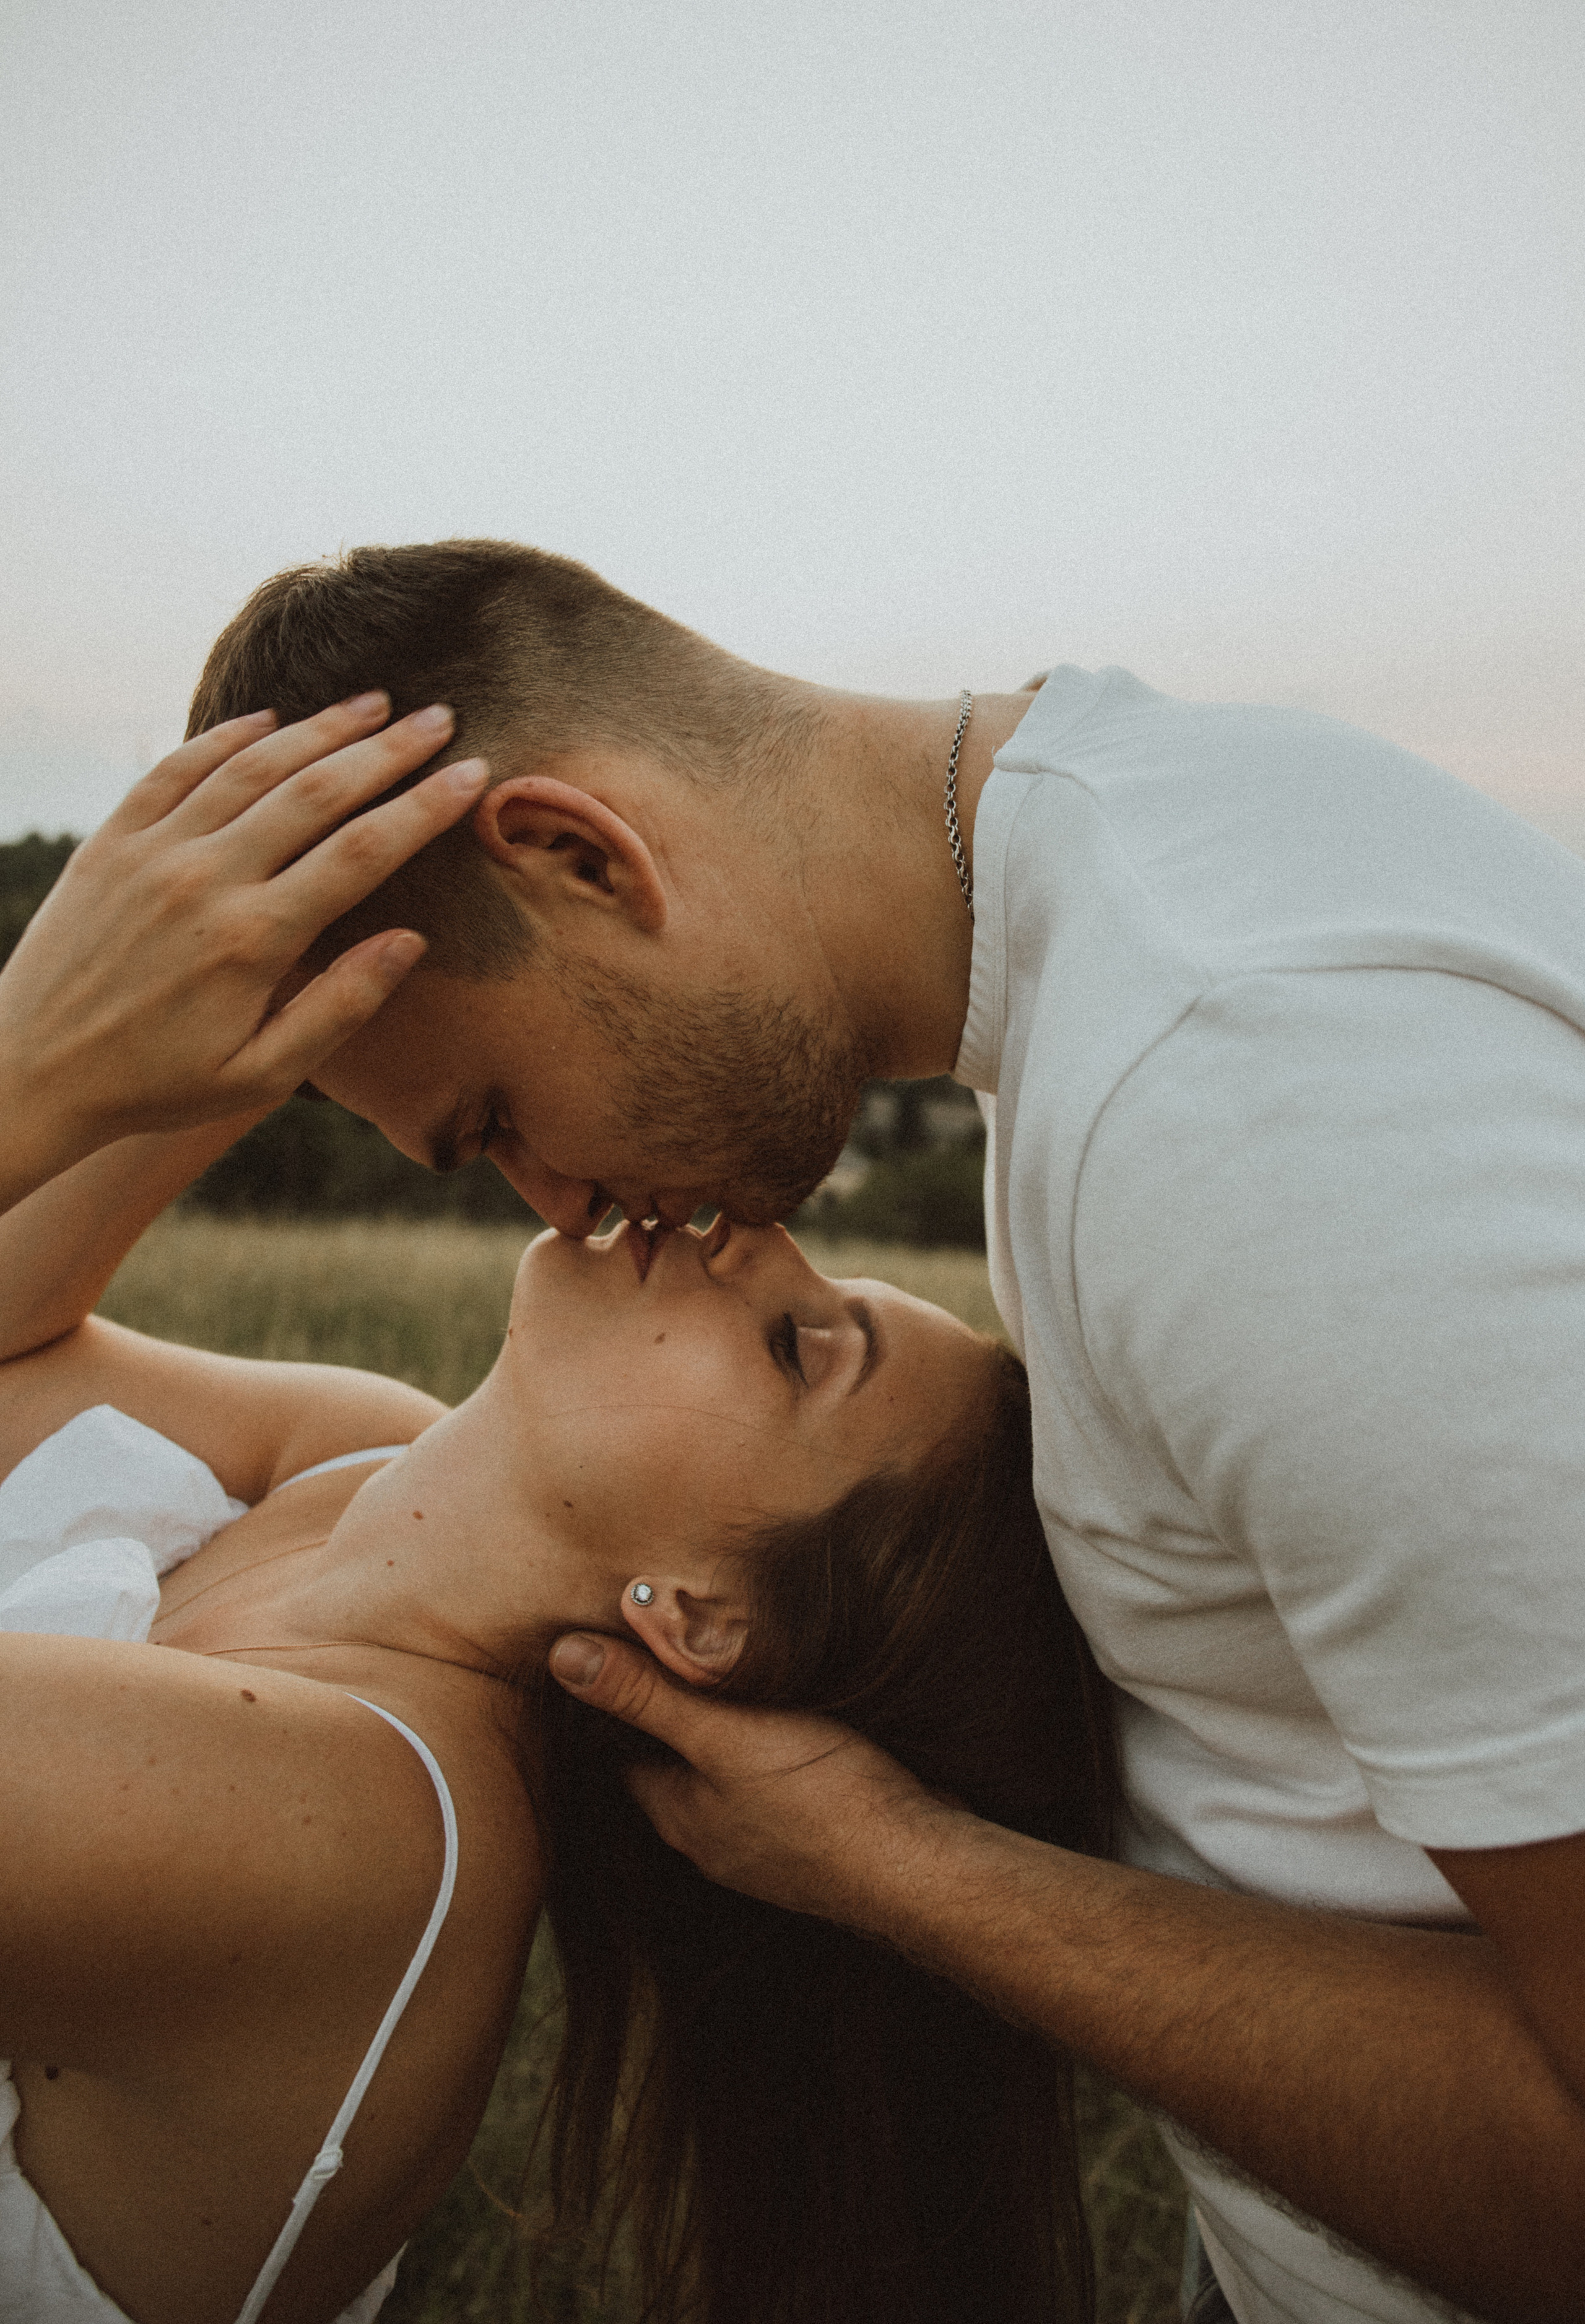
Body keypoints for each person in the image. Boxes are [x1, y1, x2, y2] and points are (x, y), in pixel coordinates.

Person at [167, 539, 1585, 2324]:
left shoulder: (1250, 1112)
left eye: (500, 1117)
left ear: (578, 855)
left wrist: (899, 1866)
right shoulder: (1169, 881)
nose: (559, 1209)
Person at [0, 707, 1116, 2323]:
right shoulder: (353, 1471)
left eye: (802, 1347)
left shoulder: (355, 1830)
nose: (759, 1239)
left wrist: (37, 1064)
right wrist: (321, 969)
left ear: (697, 1615)